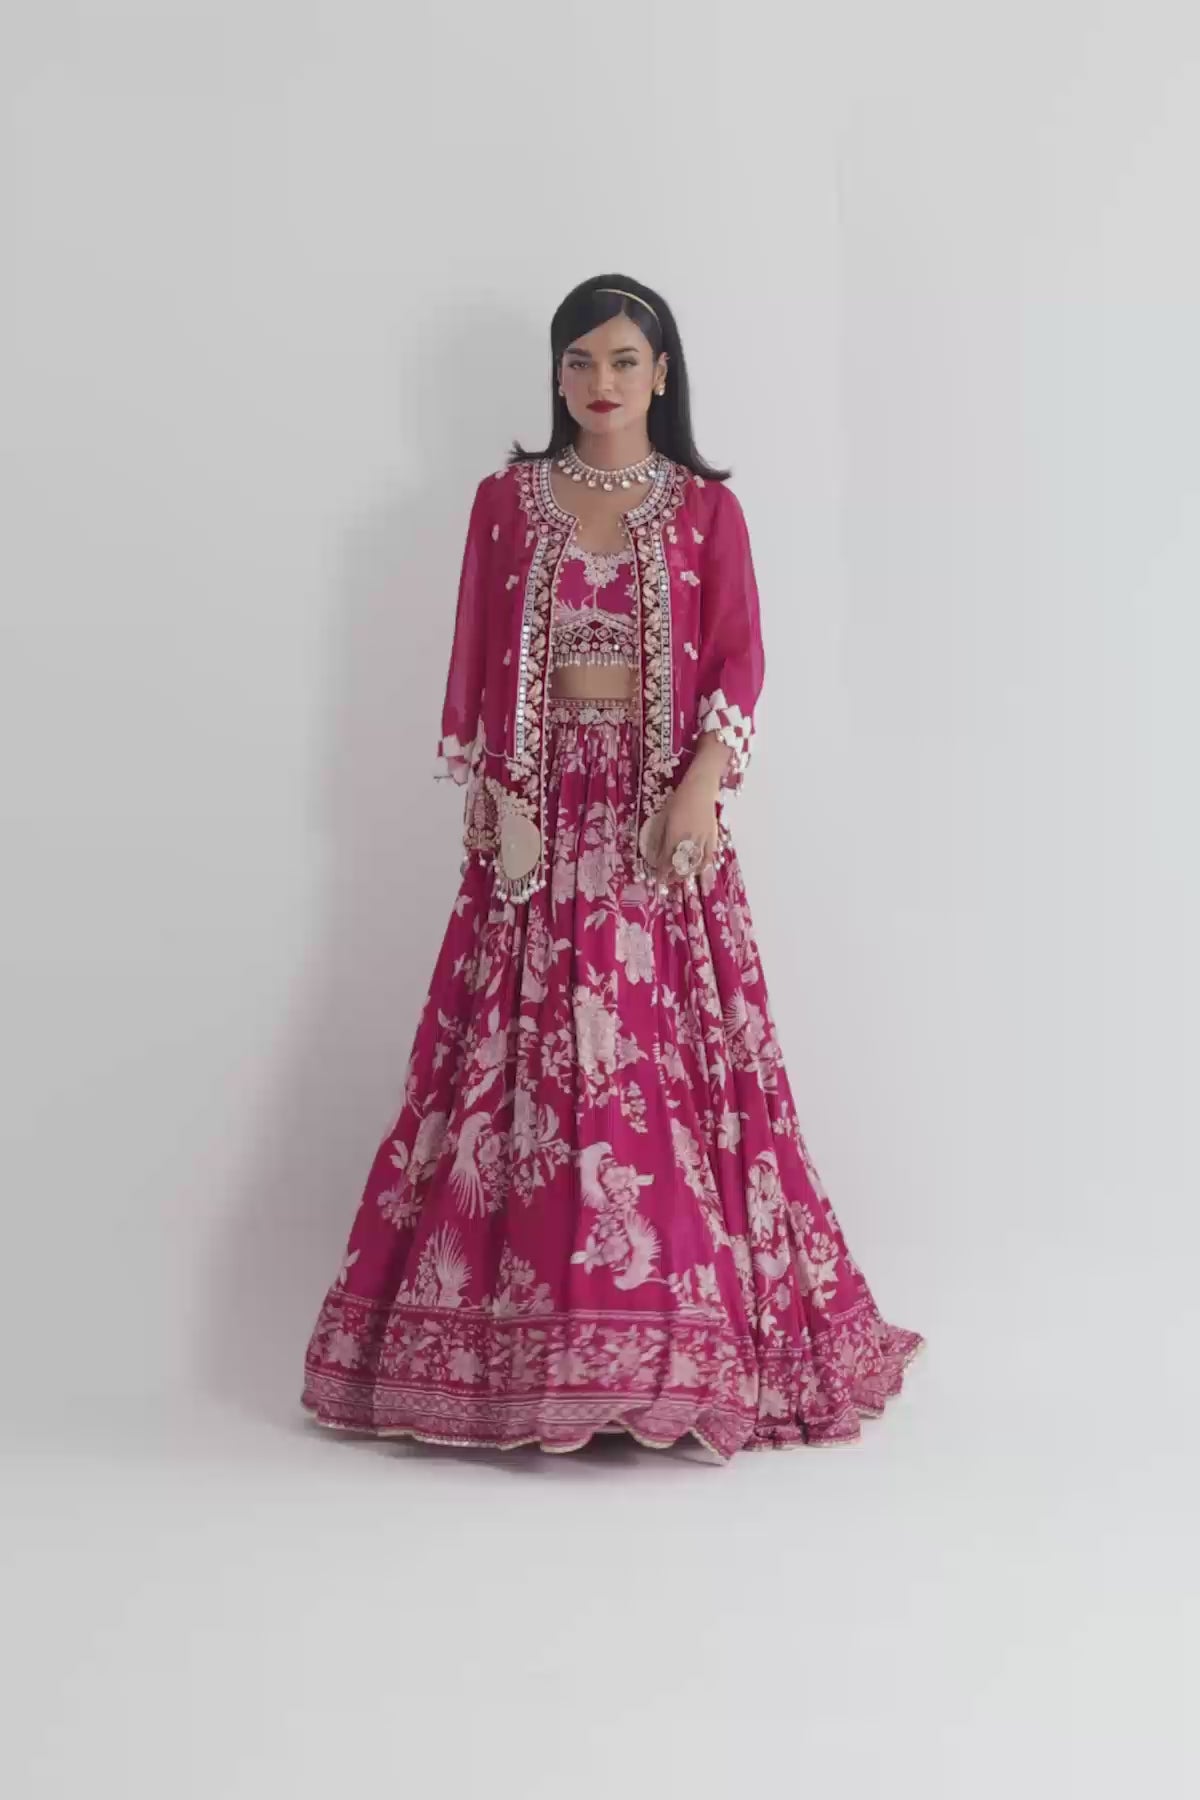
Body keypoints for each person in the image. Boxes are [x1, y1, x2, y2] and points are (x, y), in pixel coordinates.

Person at [300, 273, 924, 1460]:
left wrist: (698, 790)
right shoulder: (506, 502)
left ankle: (671, 1350)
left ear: (663, 374)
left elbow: (738, 663)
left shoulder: (705, 512)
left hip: (653, 829)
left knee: (657, 1069)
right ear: (555, 373)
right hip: (537, 831)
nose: (601, 382)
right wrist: (496, 796)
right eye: (580, 360)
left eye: (626, 361)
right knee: (519, 1068)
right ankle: (518, 1350)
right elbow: (475, 656)